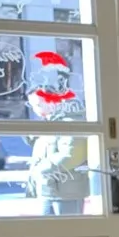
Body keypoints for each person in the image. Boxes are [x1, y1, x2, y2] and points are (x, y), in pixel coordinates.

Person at [26, 88, 89, 216]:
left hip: (67, 192)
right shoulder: (49, 123)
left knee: (67, 227)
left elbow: (71, 155)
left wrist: (40, 170)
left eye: (38, 105)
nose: (35, 110)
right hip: (48, 189)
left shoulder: (69, 122)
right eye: (32, 106)